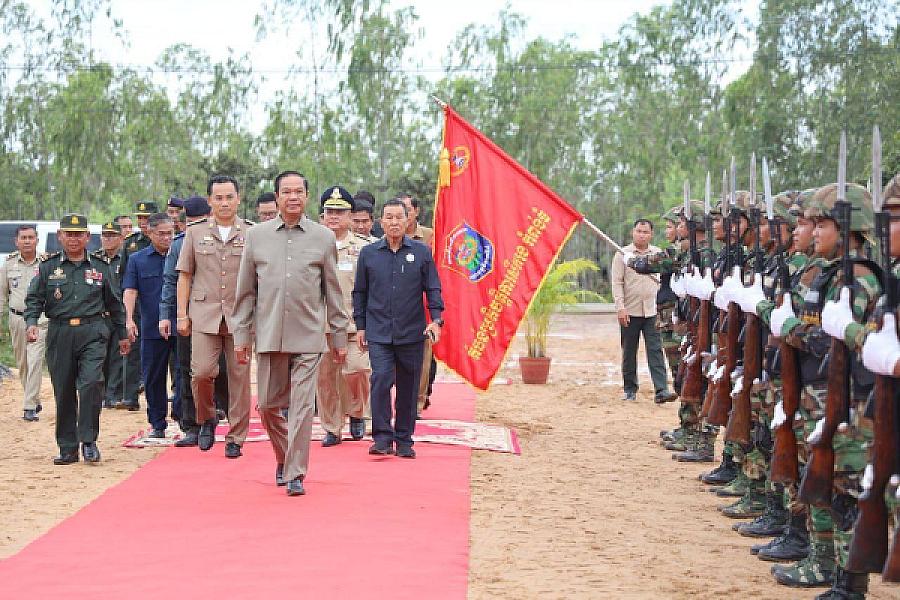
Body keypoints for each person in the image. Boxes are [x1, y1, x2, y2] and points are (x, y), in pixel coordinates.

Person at [231, 170, 348, 496]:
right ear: (277, 197)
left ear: (307, 197)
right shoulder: (257, 237)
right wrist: (241, 336)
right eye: (287, 192)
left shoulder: (323, 237)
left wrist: (339, 337)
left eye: (299, 191)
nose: (293, 197)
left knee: (301, 407)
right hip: (269, 335)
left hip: (309, 336)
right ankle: (284, 457)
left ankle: (296, 472)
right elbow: (245, 292)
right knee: (268, 406)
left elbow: (333, 292)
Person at [24, 214, 130, 465]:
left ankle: (89, 441)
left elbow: (115, 303)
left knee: (92, 383)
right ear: (60, 236)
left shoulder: (100, 267)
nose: (73, 239)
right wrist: (31, 323)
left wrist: (122, 335)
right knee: (63, 390)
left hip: (93, 332)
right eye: (69, 234)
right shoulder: (49, 267)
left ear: (87, 237)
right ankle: (68, 447)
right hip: (60, 333)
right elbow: (34, 299)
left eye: (78, 234)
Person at [353, 198, 444, 459]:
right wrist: (360, 326)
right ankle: (382, 437)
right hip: (378, 331)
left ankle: (404, 439)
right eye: (389, 217)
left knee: (408, 386)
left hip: (411, 331)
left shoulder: (421, 253)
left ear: (408, 220)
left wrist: (436, 319)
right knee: (381, 379)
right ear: (381, 222)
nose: (394, 222)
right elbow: (360, 292)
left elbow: (433, 288)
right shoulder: (369, 254)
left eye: (399, 217)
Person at [176, 175, 252, 459]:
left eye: (229, 197)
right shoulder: (195, 233)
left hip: (240, 316)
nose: (224, 203)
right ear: (210, 201)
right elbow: (185, 275)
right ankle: (207, 417)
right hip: (204, 314)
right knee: (202, 373)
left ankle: (236, 437)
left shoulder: (251, 233)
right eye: (218, 198)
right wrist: (181, 315)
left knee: (239, 378)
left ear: (238, 199)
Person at [159, 196, 230, 447]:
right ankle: (193, 424)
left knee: (223, 369)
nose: (195, 226)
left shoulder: (224, 238)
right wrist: (166, 315)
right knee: (187, 369)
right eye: (191, 222)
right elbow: (170, 281)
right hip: (188, 317)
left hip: (219, 315)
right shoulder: (180, 244)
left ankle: (228, 416)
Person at [317, 186, 372, 446]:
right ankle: (332, 427)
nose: (334, 217)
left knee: (357, 369)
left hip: (353, 323)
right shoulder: (313, 245)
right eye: (329, 211)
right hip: (321, 324)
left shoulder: (364, 248)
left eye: (340, 212)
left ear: (350, 216)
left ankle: (357, 411)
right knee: (326, 379)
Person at [123, 213, 176, 438]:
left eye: (170, 233)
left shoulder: (182, 254)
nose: (166, 238)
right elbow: (130, 290)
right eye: (161, 234)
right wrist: (128, 319)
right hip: (151, 327)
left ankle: (185, 418)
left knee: (184, 375)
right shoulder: (138, 259)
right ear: (150, 233)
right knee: (153, 377)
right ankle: (157, 423)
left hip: (182, 325)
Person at [612, 218, 672, 402]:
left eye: (645, 232)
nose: (642, 235)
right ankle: (630, 389)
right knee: (629, 351)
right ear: (633, 232)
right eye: (639, 231)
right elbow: (617, 282)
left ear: (651, 234)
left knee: (655, 350)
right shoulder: (622, 254)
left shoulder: (658, 254)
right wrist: (620, 308)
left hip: (653, 311)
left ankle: (661, 390)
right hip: (630, 311)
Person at [0, 225, 46, 421]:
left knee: (34, 360)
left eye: (30, 237)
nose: (27, 241)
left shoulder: (46, 263)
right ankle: (33, 399)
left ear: (37, 240)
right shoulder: (8, 264)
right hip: (17, 319)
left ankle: (29, 407)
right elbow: (2, 295)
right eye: (23, 238)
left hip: (40, 319)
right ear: (16, 241)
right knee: (23, 363)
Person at [116, 200, 157, 410]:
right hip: (136, 304)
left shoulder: (165, 239)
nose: (143, 222)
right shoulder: (130, 243)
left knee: (163, 352)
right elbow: (123, 276)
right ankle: (130, 396)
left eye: (147, 218)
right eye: (140, 218)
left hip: (157, 302)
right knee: (132, 349)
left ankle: (171, 393)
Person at [91, 221, 125, 409]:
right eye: (105, 235)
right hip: (99, 314)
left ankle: (112, 394)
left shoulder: (127, 258)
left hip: (119, 314)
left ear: (121, 238)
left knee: (117, 355)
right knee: (99, 355)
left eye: (112, 236)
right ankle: (100, 393)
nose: (108, 239)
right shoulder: (94, 260)